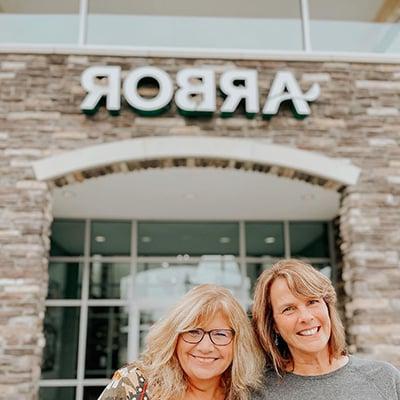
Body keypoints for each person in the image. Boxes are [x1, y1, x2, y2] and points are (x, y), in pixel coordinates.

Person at [252, 258, 400, 400]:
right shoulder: (259, 393)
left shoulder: (385, 379)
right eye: (289, 309)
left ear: (327, 307)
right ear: (274, 325)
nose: (306, 317)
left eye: (312, 301)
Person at [97, 284, 264, 400]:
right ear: (174, 337)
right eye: (193, 331)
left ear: (238, 343)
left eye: (220, 334)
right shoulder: (134, 383)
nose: (205, 347)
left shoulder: (249, 394)